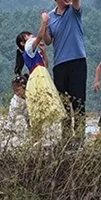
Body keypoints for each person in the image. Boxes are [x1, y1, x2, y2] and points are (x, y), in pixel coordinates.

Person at [44, 0, 86, 143]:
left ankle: (80, 138)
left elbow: (76, 0)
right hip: (60, 64)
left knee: (78, 101)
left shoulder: (74, 11)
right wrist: (44, 24)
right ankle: (66, 138)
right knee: (64, 103)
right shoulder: (51, 17)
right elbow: (48, 41)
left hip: (77, 61)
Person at [23, 12, 66, 140]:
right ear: (22, 42)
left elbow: (45, 64)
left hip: (42, 74)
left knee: (44, 102)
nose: (31, 36)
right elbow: (40, 36)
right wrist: (44, 22)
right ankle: (37, 134)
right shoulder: (28, 48)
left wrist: (44, 52)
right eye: (28, 36)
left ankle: (40, 134)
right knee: (41, 101)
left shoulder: (35, 52)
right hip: (38, 77)